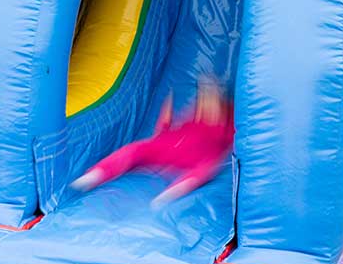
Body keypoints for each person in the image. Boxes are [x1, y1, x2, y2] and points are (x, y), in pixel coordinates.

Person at [70, 78, 234, 209]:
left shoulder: (224, 126)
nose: (202, 104)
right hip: (166, 149)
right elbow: (165, 133)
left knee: (206, 168)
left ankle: (175, 191)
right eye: (202, 99)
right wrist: (166, 116)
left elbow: (221, 150)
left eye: (209, 98)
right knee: (135, 149)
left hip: (196, 158)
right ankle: (97, 173)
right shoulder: (192, 119)